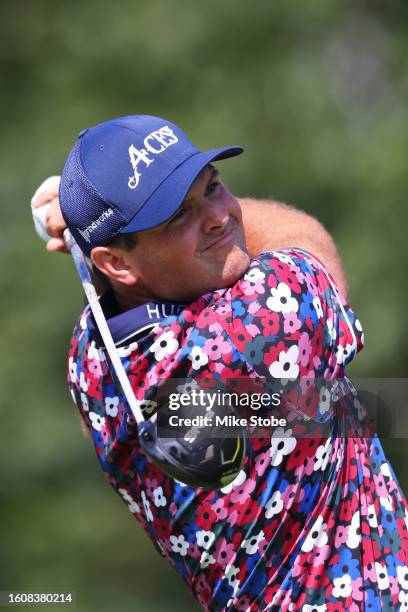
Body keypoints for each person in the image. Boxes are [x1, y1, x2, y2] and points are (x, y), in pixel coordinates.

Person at [32, 114, 408, 611]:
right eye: (177, 216)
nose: (216, 216)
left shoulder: (91, 362)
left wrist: (93, 226)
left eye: (211, 186)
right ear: (117, 263)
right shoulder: (267, 317)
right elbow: (306, 238)